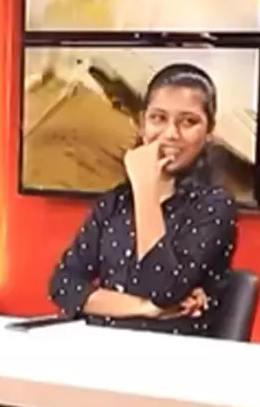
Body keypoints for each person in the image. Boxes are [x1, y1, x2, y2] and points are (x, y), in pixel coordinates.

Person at [46, 64, 238, 336]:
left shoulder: (214, 206)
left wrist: (145, 187)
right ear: (142, 123)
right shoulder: (114, 203)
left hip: (174, 354)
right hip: (100, 347)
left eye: (188, 122)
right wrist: (147, 308)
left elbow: (162, 288)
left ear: (209, 131)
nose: (171, 133)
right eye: (158, 118)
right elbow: (63, 285)